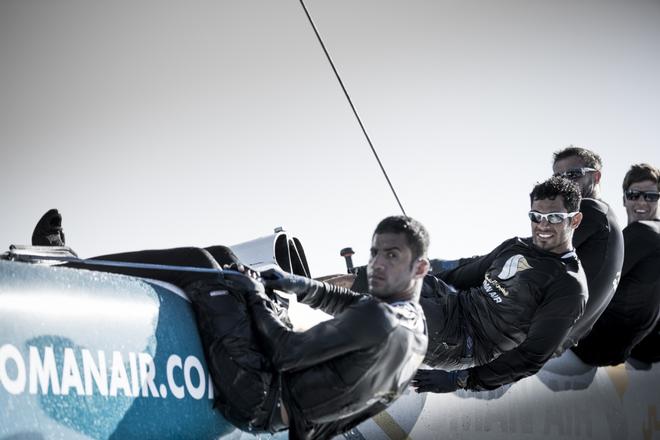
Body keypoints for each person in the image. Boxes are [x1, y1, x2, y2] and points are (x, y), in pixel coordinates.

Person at [33, 213, 429, 440]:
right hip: (276, 410)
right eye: (374, 251)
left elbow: (285, 352)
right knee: (224, 256)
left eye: (391, 255)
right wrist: (292, 284)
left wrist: (256, 295)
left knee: (200, 263)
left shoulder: (377, 317)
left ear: (420, 267)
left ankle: (63, 265)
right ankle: (80, 261)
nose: (376, 264)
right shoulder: (415, 334)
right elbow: (344, 303)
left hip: (257, 391)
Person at [412, 176, 588, 393]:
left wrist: (461, 380)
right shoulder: (516, 246)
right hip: (453, 307)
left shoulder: (569, 285)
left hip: (464, 343)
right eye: (536, 216)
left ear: (575, 220)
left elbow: (531, 357)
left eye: (554, 217)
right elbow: (463, 276)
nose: (543, 225)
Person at [571, 163, 660, 366]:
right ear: (624, 199)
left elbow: (579, 278)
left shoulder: (643, 232)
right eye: (634, 195)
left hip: (593, 346)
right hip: (634, 351)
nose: (642, 202)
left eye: (651, 196)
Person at [551, 146, 624, 353]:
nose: (565, 182)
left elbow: (528, 255)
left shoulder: (590, 210)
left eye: (573, 174)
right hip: (563, 340)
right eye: (558, 177)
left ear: (596, 176)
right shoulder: (608, 218)